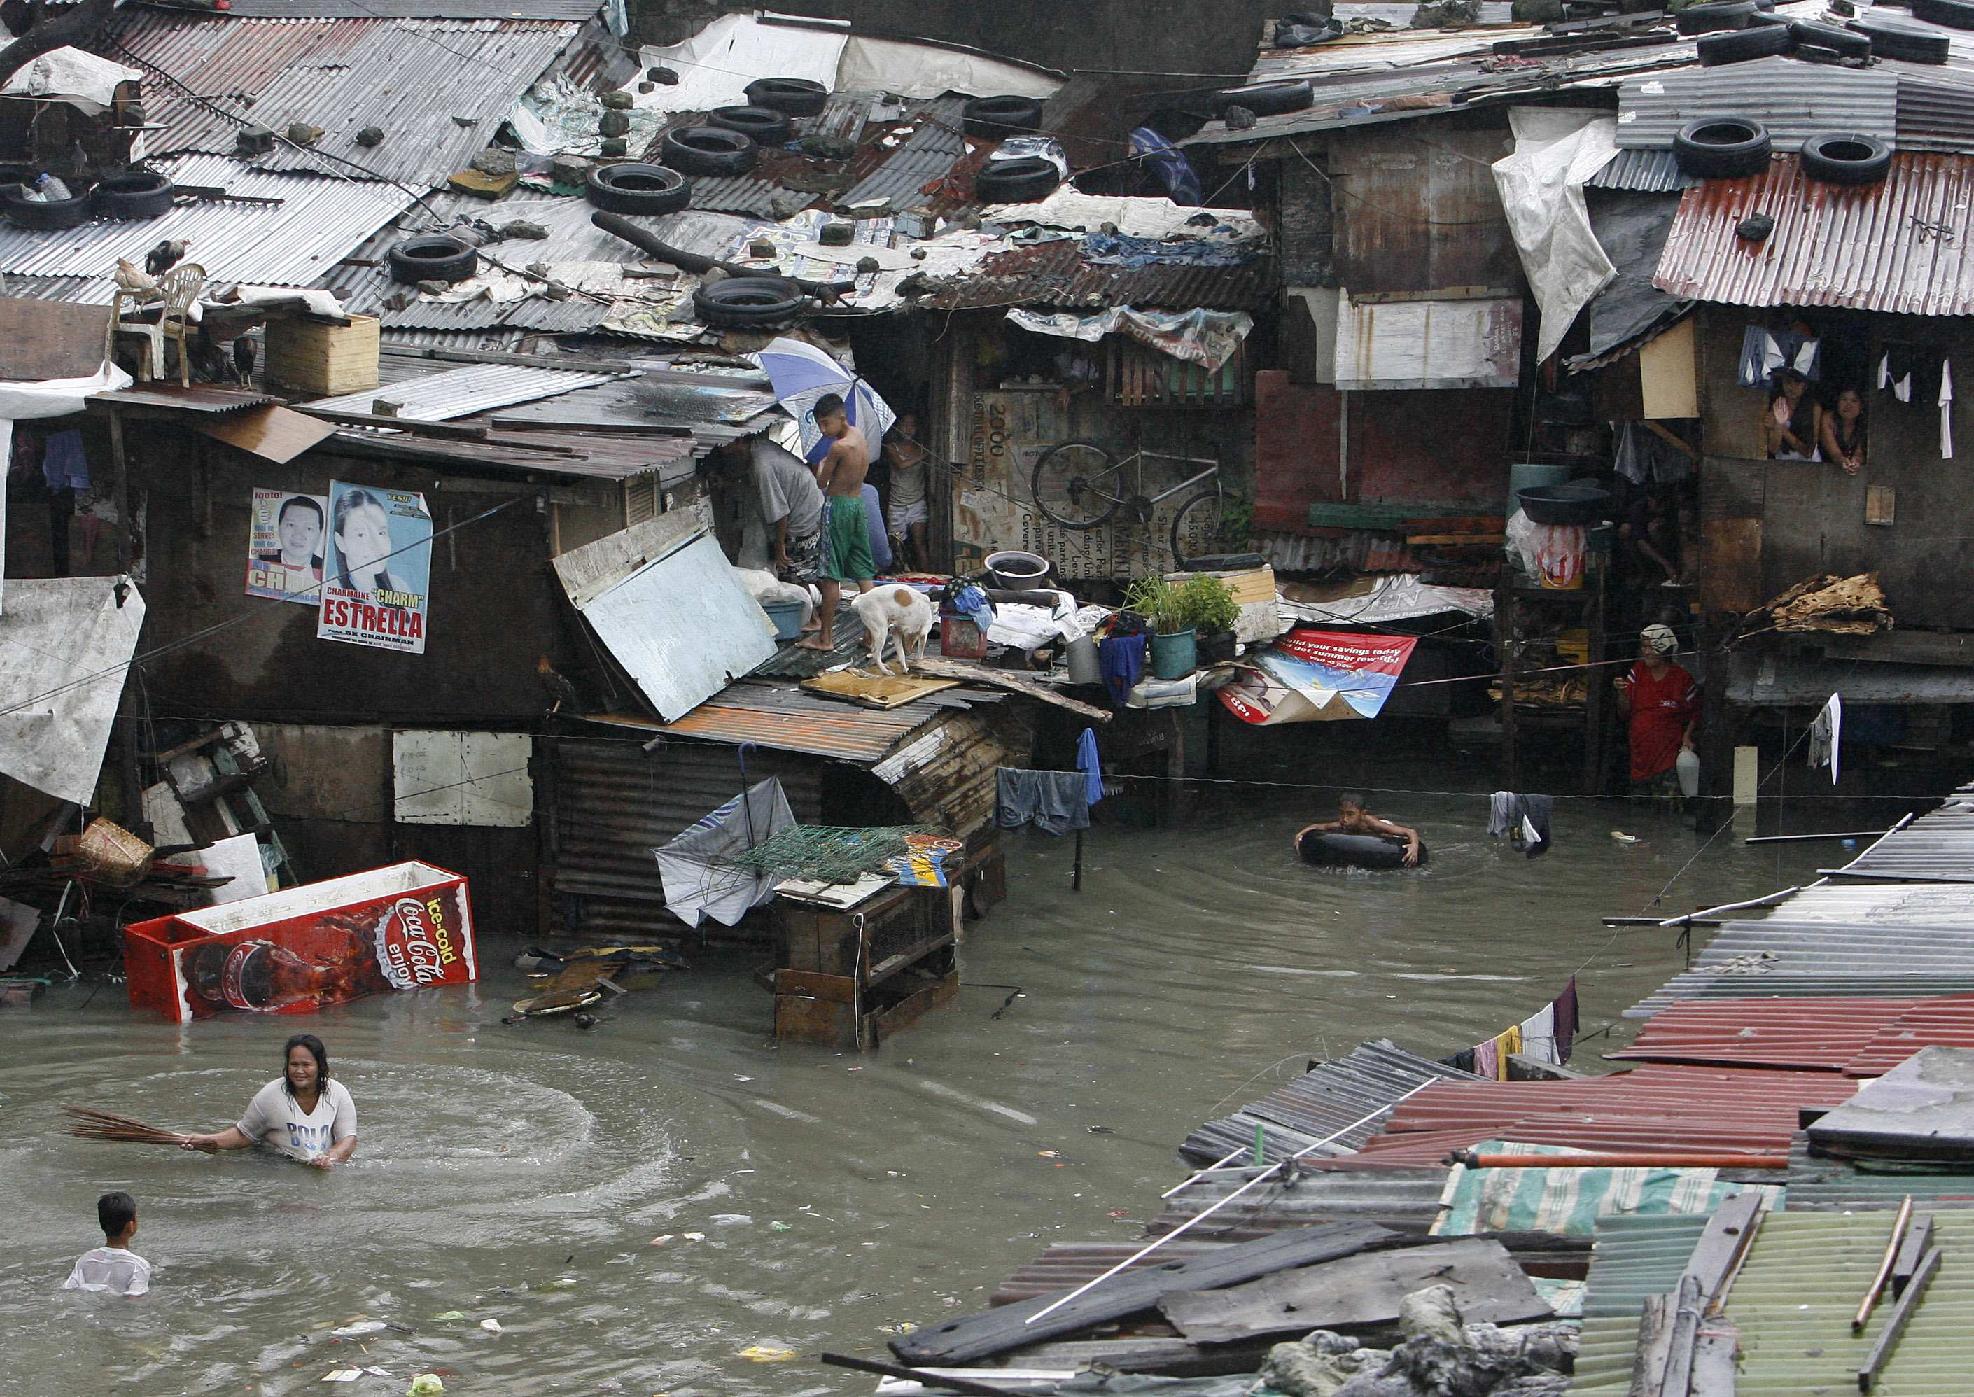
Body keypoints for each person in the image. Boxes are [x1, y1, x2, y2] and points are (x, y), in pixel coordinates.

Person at [179, 1033, 357, 1169]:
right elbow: (244, 1134)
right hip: (277, 1163)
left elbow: (348, 1139)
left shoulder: (338, 1094)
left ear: (320, 1066)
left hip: (323, 1166)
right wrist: (207, 1140)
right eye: (294, 1065)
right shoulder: (270, 1096)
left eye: (306, 1065)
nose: (299, 1071)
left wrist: (330, 1158)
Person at [798, 393, 876, 651]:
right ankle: (872, 634)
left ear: (840, 417)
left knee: (830, 575)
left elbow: (821, 483)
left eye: (825, 423)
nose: (822, 429)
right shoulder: (859, 437)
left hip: (838, 508)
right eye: (819, 424)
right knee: (863, 572)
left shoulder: (838, 448)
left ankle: (825, 638)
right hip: (857, 505)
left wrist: (819, 465)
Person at [737, 436, 824, 628]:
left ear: (738, 443)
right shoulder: (759, 448)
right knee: (802, 570)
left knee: (791, 572)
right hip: (808, 504)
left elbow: (780, 513)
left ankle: (812, 619)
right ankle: (815, 614)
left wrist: (780, 546)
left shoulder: (762, 465)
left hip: (802, 515)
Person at [1615, 623, 1697, 797]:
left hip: (1668, 756)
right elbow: (1624, 712)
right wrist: (1622, 693)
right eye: (1644, 647)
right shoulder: (1637, 672)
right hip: (1640, 754)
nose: (1647, 652)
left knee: (1667, 801)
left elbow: (1695, 713)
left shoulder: (1682, 678)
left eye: (1652, 647)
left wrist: (1687, 736)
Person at [1296, 792, 1422, 867]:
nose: (1345, 818)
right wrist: (1300, 835)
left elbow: (1410, 831)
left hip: (1382, 834)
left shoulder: (1371, 823)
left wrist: (1414, 846)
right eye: (1342, 813)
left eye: (1350, 814)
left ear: (1362, 814)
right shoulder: (1343, 823)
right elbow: (1318, 826)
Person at [62, 1191, 150, 1297]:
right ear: (130, 1226)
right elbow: (134, 1300)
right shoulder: (138, 1265)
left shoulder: (85, 1260)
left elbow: (68, 1290)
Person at [330, 489, 405, 598]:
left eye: (381, 533)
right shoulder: (332, 592)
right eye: (361, 535)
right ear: (340, 542)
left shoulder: (399, 587)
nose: (377, 545)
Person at [883, 413, 930, 572]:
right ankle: (900, 578)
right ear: (898, 427)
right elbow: (901, 465)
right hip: (897, 505)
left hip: (917, 502)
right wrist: (924, 455)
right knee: (897, 547)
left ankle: (928, 580)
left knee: (920, 544)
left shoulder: (921, 447)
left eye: (912, 425)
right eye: (905, 425)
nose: (908, 429)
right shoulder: (891, 447)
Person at [255, 495, 325, 593]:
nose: (298, 535)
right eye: (291, 525)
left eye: (309, 528)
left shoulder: (326, 570)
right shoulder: (259, 560)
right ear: (279, 527)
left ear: (320, 533)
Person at [1762, 368, 1820, 461]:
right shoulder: (1777, 405)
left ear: (1805, 385)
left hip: (1810, 462)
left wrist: (1781, 427)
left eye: (1797, 382)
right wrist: (1777, 427)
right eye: (1788, 382)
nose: (1791, 387)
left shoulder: (1814, 408)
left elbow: (1808, 452)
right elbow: (1773, 449)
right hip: (1783, 460)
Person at [1819, 386, 1867, 476]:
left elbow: (1859, 452)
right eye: (1844, 399)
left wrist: (1855, 462)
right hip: (1825, 470)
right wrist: (1843, 461)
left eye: (1854, 401)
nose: (1848, 405)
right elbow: (1835, 454)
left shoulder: (1863, 423)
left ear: (1861, 405)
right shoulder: (1828, 418)